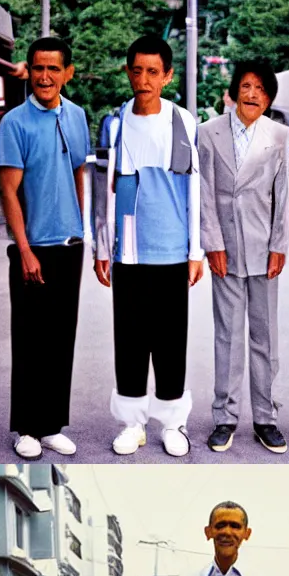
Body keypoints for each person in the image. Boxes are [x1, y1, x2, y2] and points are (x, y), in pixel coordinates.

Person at [94, 35, 204, 456]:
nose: (144, 79)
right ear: (128, 72)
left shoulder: (183, 122)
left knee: (171, 342)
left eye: (153, 72)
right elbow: (105, 190)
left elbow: (193, 189)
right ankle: (132, 424)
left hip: (173, 250)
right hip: (129, 253)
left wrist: (195, 251)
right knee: (131, 341)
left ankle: (173, 425)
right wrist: (102, 248)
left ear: (168, 76)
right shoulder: (116, 123)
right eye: (137, 70)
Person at [0, 35, 92, 458]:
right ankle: (27, 428)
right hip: (34, 248)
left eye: (53, 68)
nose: (45, 76)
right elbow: (9, 191)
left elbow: (78, 173)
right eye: (38, 68)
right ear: (29, 71)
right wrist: (26, 249)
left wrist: (81, 229)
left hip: (71, 245)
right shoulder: (15, 122)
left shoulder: (77, 116)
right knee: (30, 340)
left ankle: (51, 424)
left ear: (67, 72)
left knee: (60, 339)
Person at [196, 59, 289, 453]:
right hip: (225, 248)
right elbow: (202, 192)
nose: (252, 94)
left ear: (269, 98)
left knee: (264, 337)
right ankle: (226, 416)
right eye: (246, 86)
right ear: (233, 92)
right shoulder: (208, 132)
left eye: (261, 89)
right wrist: (212, 243)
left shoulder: (280, 135)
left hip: (263, 246)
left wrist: (279, 246)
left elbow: (282, 196)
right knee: (227, 336)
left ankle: (265, 416)